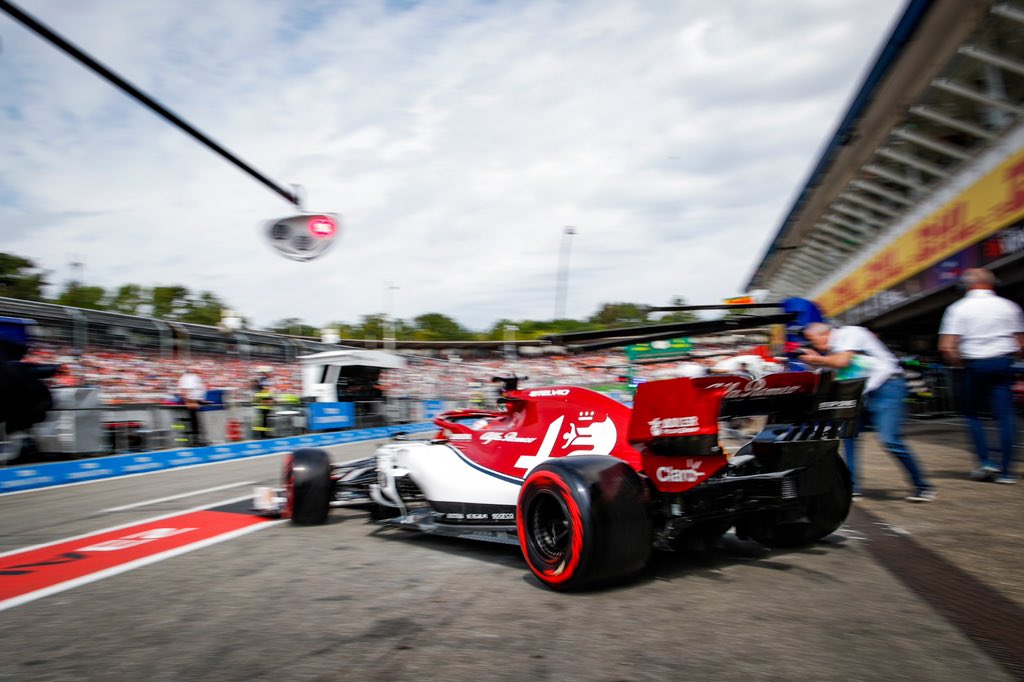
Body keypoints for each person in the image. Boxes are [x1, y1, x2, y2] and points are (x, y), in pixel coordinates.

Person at [801, 322, 935, 502]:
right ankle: (853, 487)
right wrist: (814, 362)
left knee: (890, 440)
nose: (814, 345)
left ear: (825, 333)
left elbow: (843, 362)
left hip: (887, 388)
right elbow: (833, 371)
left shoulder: (850, 333)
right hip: (862, 394)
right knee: (849, 437)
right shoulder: (835, 350)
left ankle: (923, 487)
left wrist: (816, 359)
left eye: (812, 340)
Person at [938, 268, 1024, 484]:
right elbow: (1020, 344)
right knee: (1006, 417)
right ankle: (1006, 472)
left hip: (973, 366)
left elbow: (947, 347)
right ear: (993, 283)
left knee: (972, 414)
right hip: (1003, 363)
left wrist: (959, 363)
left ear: (967, 285)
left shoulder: (958, 308)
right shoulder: (1009, 307)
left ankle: (985, 463)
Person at [177, 367, 206, 447]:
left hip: (194, 400)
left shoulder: (192, 377)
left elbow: (190, 390)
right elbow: (185, 390)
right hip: (191, 401)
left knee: (195, 421)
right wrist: (189, 402)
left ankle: (196, 439)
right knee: (194, 421)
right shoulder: (187, 378)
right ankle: (193, 440)